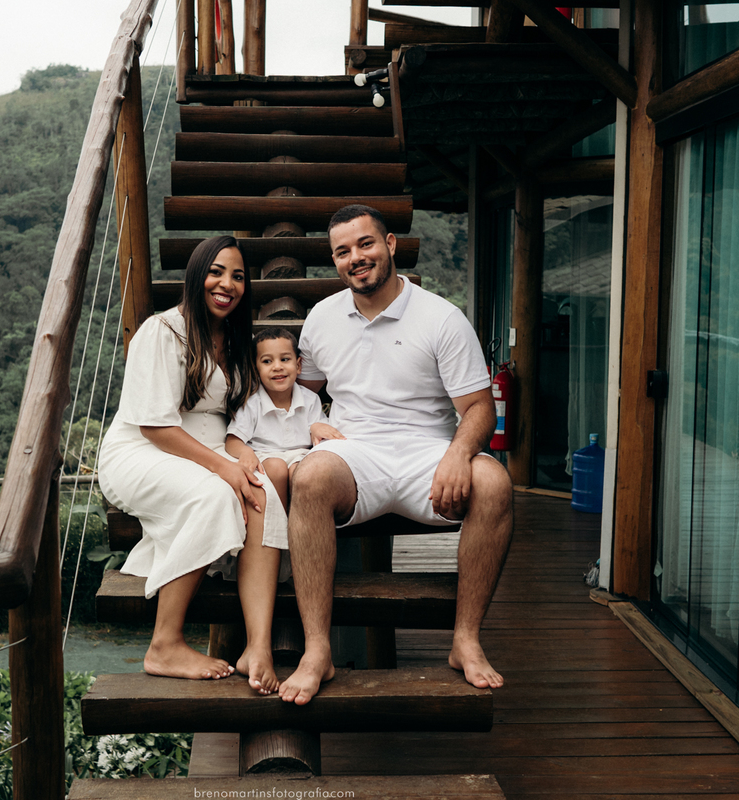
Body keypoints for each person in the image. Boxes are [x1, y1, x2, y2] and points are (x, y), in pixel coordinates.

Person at [278, 204, 514, 706]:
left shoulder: (441, 318)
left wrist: (457, 454)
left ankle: (465, 639)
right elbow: (303, 390)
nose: (355, 258)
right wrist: (314, 419)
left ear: (390, 244)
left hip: (427, 456)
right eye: (342, 251)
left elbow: (478, 409)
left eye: (365, 244)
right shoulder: (322, 318)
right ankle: (317, 650)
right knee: (311, 479)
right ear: (334, 262)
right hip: (354, 454)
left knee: (494, 482)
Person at [97, 235, 287, 694]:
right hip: (142, 451)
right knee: (216, 493)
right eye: (217, 271)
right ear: (196, 274)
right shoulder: (162, 331)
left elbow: (238, 416)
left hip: (210, 451)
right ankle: (164, 644)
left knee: (262, 491)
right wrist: (222, 469)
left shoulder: (239, 340)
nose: (227, 284)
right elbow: (155, 427)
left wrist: (244, 457)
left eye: (238, 276)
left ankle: (257, 645)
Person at [225, 327, 344, 512]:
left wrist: (318, 426)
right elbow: (232, 441)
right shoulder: (252, 403)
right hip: (265, 457)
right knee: (276, 468)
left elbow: (321, 430)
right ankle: (278, 522)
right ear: (255, 368)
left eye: (285, 359)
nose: (277, 366)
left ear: (298, 365)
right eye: (267, 361)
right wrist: (245, 452)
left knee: (302, 471)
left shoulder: (309, 398)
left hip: (300, 455)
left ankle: (300, 521)